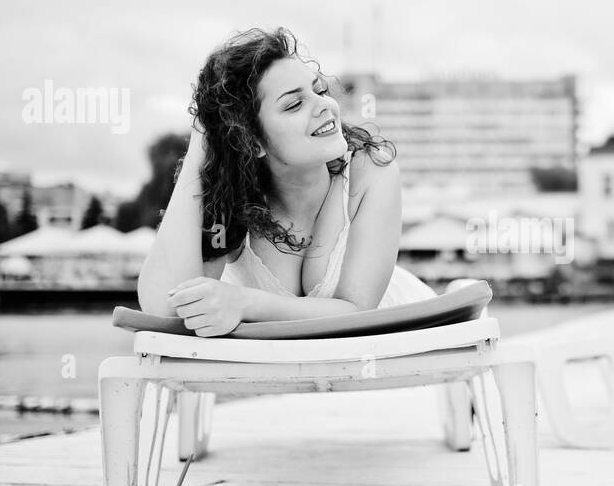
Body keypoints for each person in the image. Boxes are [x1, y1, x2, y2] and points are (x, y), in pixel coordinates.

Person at [137, 27, 435, 336]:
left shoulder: (371, 173)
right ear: (251, 141)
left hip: (388, 346)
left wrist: (244, 303)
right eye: (294, 104)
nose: (324, 105)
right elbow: (164, 307)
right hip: (284, 371)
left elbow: (356, 310)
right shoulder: (231, 199)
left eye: (318, 90)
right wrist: (201, 145)